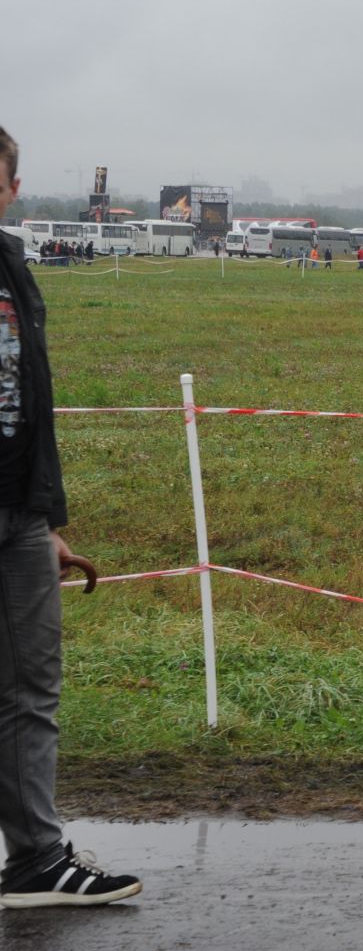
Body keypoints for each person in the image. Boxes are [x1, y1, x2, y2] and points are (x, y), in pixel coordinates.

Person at [0, 128, 142, 908]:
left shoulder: (18, 269)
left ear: (12, 189)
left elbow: (34, 404)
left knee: (31, 690)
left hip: (18, 515)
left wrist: (47, 518)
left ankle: (35, 861)